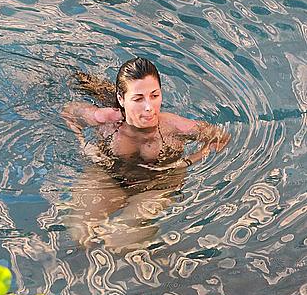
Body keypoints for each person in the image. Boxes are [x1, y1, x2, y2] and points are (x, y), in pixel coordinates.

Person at [61, 57, 230, 250]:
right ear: (121, 99)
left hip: (158, 184)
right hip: (110, 176)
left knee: (120, 241)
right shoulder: (107, 121)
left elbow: (220, 138)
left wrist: (188, 162)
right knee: (80, 233)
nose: (149, 107)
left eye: (155, 95)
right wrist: (84, 145)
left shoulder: (174, 127)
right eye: (138, 99)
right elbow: (69, 113)